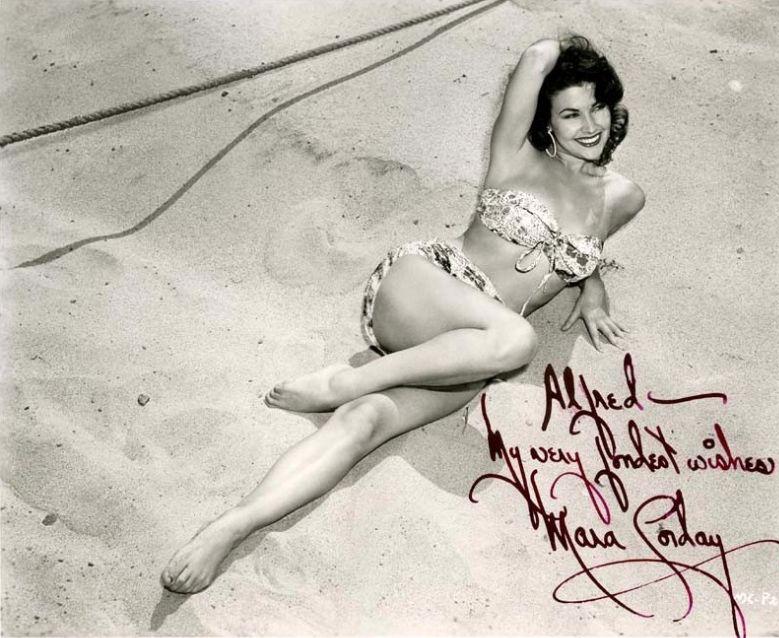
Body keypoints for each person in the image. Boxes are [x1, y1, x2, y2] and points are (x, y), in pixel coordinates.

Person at [160, 34, 646, 594]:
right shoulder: (517, 155)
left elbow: (584, 245)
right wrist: (569, 49)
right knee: (517, 341)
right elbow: (537, 55)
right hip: (425, 289)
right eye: (570, 113)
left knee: (364, 424)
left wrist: (591, 287)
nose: (589, 125)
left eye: (597, 107)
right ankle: (347, 382)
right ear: (547, 122)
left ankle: (230, 526)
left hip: (465, 355)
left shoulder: (623, 196)